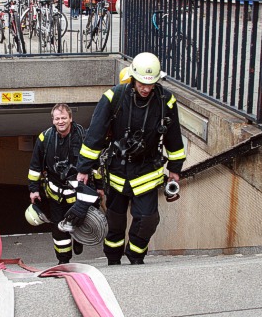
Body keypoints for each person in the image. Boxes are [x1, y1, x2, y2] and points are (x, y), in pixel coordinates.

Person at [76, 52, 186, 265]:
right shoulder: (113, 97)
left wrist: (175, 169)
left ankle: (136, 257)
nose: (146, 89)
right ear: (133, 77)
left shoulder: (166, 100)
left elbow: (174, 137)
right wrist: (83, 168)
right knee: (115, 222)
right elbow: (95, 135)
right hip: (118, 171)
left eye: (151, 84)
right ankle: (113, 260)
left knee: (148, 220)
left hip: (147, 172)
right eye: (142, 84)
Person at [27, 104, 100, 264]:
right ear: (53, 120)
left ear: (71, 119)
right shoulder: (44, 138)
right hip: (55, 194)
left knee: (78, 222)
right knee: (59, 229)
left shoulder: (83, 136)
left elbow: (95, 165)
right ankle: (63, 260)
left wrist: (100, 187)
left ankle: (78, 238)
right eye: (57, 118)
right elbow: (35, 167)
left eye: (64, 118)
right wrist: (33, 190)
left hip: (78, 193)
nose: (61, 121)